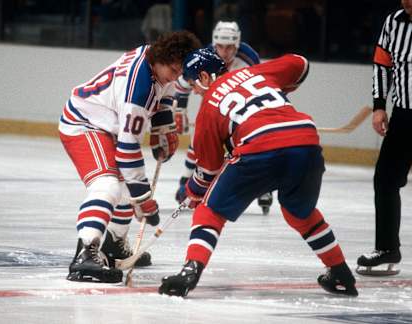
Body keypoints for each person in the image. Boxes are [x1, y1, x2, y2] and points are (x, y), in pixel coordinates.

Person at [158, 48, 358, 297]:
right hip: (306, 140)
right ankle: (340, 271)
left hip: (260, 147)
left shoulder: (209, 106)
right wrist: (278, 88)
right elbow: (301, 63)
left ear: (204, 76)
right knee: (300, 214)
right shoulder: (257, 72)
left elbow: (208, 168)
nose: (196, 91)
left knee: (209, 211)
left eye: (193, 83)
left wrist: (191, 192)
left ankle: (190, 271)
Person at [59, 31, 201, 283]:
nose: (176, 76)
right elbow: (127, 150)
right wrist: (144, 199)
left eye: (180, 71)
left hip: (107, 123)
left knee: (125, 186)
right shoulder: (139, 89)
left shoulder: (156, 60)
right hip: (85, 124)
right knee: (108, 185)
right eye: (174, 69)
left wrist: (162, 127)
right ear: (163, 58)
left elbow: (165, 91)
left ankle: (113, 243)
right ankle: (85, 253)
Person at [174, 21, 273, 215]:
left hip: (240, 105)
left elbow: (260, 87)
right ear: (213, 44)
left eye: (229, 47)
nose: (224, 52)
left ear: (237, 45)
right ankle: (186, 181)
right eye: (220, 46)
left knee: (252, 142)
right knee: (200, 137)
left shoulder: (249, 58)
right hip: (213, 100)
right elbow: (183, 83)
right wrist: (179, 111)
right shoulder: (204, 56)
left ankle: (265, 187)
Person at [356, 1, 412, 276]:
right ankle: (388, 247)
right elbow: (382, 65)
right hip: (404, 115)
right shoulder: (394, 22)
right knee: (386, 180)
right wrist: (379, 106)